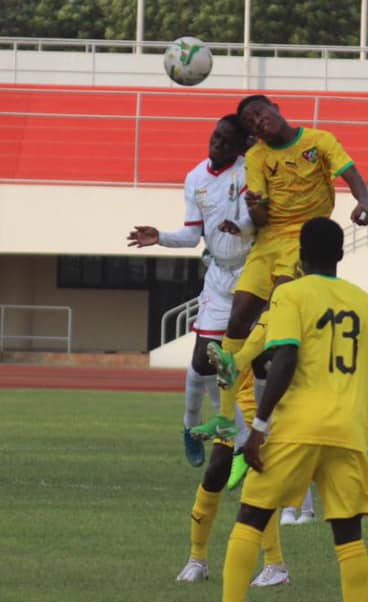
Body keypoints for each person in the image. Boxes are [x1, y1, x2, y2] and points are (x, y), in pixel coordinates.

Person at [221, 217, 368, 602]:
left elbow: (285, 357)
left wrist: (259, 427)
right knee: (348, 535)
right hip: (348, 431)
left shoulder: (292, 294)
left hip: (297, 427)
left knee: (252, 516)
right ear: (341, 254)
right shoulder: (367, 303)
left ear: (300, 253)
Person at [192, 93, 368, 442]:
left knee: (278, 305)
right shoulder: (258, 157)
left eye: (260, 114)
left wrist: (363, 201)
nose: (258, 123)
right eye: (250, 123)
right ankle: (227, 416)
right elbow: (260, 216)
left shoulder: (318, 141)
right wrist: (255, 207)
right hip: (269, 240)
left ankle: (240, 361)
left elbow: (350, 174)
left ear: (275, 108)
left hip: (304, 238)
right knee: (238, 318)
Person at [127, 114, 254, 467]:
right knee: (202, 361)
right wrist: (160, 238)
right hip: (217, 277)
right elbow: (191, 235)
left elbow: (253, 218)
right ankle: (191, 425)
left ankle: (247, 436)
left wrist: (241, 227)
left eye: (227, 141)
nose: (218, 144)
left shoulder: (247, 171)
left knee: (251, 362)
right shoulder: (195, 178)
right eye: (216, 137)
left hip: (250, 275)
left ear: (241, 147)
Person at [175, 369, 293, 588]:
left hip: (260, 408)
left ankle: (275, 564)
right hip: (234, 411)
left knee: (256, 479)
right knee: (215, 474)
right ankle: (197, 559)